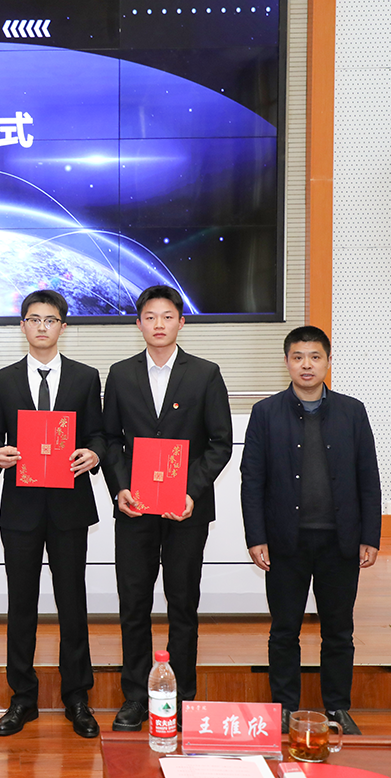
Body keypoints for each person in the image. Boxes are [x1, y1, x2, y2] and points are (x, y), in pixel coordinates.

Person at [102, 285, 233, 732]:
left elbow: (220, 443)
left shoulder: (206, 374)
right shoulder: (120, 374)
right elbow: (109, 440)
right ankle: (136, 697)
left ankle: (181, 698)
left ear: (182, 321)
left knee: (183, 604)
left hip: (186, 511)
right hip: (136, 509)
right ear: (138, 323)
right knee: (133, 603)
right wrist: (120, 488)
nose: (159, 324)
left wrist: (191, 491)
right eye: (150, 317)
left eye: (168, 316)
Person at [240, 326, 381, 735]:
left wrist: (370, 535)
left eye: (315, 357)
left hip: (341, 541)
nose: (307, 365)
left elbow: (368, 478)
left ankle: (337, 708)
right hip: (286, 541)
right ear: (286, 362)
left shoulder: (353, 412)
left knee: (339, 631)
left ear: (328, 362)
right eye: (298, 357)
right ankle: (285, 708)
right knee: (284, 630)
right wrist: (256, 536)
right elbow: (252, 481)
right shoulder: (265, 413)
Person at [0, 289, 106, 739]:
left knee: (73, 604)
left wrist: (94, 453)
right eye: (33, 319)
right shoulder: (3, 380)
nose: (42, 327)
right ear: (23, 326)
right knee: (21, 605)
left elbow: (98, 433)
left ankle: (77, 697)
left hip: (70, 507)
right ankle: (22, 698)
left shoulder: (86, 377)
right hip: (21, 509)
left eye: (50, 320)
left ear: (63, 327)